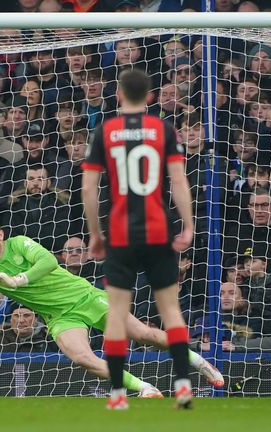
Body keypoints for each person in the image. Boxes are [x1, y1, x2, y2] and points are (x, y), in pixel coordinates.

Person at [0, 218, 223, 404]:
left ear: (0, 234)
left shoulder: (19, 244)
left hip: (84, 296)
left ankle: (197, 361)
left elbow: (49, 262)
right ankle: (145, 389)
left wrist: (17, 280)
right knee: (82, 358)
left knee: (142, 334)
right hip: (61, 318)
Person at [80, 69, 196, 410]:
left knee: (117, 313)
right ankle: (184, 388)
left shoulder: (105, 131)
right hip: (159, 231)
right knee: (171, 310)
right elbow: (178, 181)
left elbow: (89, 188)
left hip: (120, 233)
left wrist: (95, 233)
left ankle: (117, 394)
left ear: (118, 94)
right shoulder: (164, 129)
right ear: (150, 96)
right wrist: (187, 226)